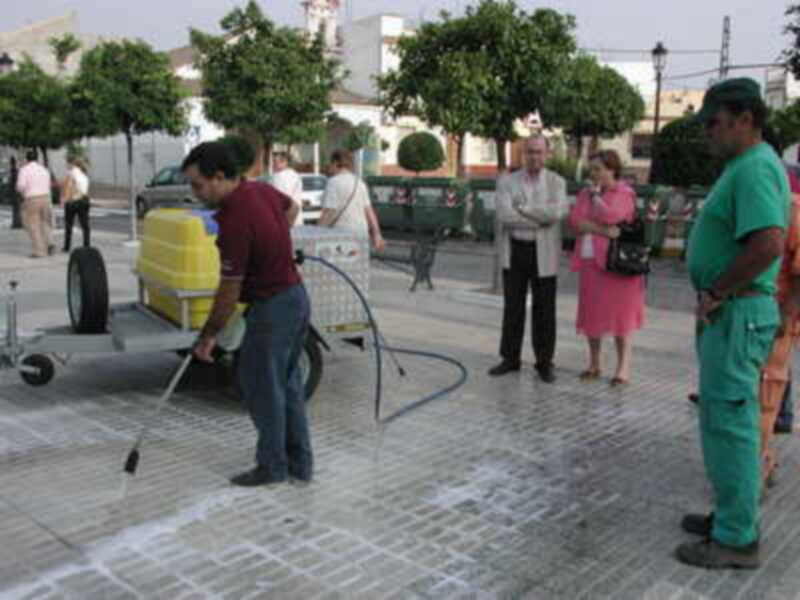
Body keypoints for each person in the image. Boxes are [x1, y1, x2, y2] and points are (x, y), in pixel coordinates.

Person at [678, 78, 789, 569]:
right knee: (723, 420)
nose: (708, 133)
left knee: (732, 424)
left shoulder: (756, 168)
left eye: (715, 122)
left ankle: (737, 538)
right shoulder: (743, 166)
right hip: (730, 311)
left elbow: (768, 243)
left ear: (746, 119)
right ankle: (729, 515)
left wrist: (718, 290)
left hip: (737, 309)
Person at [182, 141, 313, 487]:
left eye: (198, 185)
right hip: (296, 298)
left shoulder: (235, 220)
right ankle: (300, 464)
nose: (195, 193)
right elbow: (292, 209)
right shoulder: (260, 190)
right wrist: (274, 247)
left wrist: (208, 334)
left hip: (273, 309)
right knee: (288, 385)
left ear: (220, 177)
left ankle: (272, 467)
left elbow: (228, 291)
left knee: (263, 389)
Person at [490, 135, 567, 383]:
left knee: (545, 309)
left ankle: (544, 362)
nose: (534, 157)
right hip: (515, 250)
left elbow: (556, 214)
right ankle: (510, 358)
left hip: (543, 253)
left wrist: (522, 209)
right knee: (513, 307)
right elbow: (505, 216)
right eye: (530, 152)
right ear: (524, 154)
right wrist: (539, 219)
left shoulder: (557, 182)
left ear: (547, 154)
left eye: (539, 152)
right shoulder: (507, 182)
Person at [568, 150, 645, 386]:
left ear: (612, 170)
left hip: (618, 265)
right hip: (591, 263)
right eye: (592, 169)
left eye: (598, 169)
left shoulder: (624, 192)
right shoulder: (585, 192)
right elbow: (575, 222)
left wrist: (596, 201)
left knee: (621, 317)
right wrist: (599, 229)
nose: (594, 174)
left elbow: (613, 216)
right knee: (592, 315)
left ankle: (622, 370)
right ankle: (594, 363)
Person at [757, 162, 800, 492]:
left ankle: (761, 461)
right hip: (752, 313)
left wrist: (785, 319)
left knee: (767, 392)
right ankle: (760, 456)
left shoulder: (794, 211)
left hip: (775, 317)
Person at [318, 149, 385, 251]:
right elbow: (369, 211)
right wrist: (377, 234)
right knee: (359, 266)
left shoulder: (333, 183)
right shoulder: (360, 183)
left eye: (330, 163)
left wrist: (317, 231)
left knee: (338, 266)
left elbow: (329, 212)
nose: (329, 167)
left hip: (340, 235)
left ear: (335, 163)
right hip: (361, 234)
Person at [16, 150, 54, 258]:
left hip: (32, 198)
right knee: (45, 222)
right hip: (45, 197)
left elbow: (21, 186)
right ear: (37, 158)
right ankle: (50, 242)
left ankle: (39, 251)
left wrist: (22, 192)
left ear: (26, 159)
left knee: (33, 225)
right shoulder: (44, 170)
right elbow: (48, 184)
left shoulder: (24, 170)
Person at [61, 155, 91, 252]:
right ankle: (87, 244)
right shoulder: (84, 174)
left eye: (67, 163)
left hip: (73, 201)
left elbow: (69, 188)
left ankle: (67, 246)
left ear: (71, 164)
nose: (66, 165)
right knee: (85, 225)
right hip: (84, 200)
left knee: (69, 225)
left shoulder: (71, 173)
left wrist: (65, 199)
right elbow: (85, 190)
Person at [272, 152, 304, 227]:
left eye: (275, 162)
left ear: (285, 162)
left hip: (285, 220)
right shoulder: (296, 175)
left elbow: (281, 201)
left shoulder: (278, 177)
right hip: (297, 218)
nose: (273, 165)